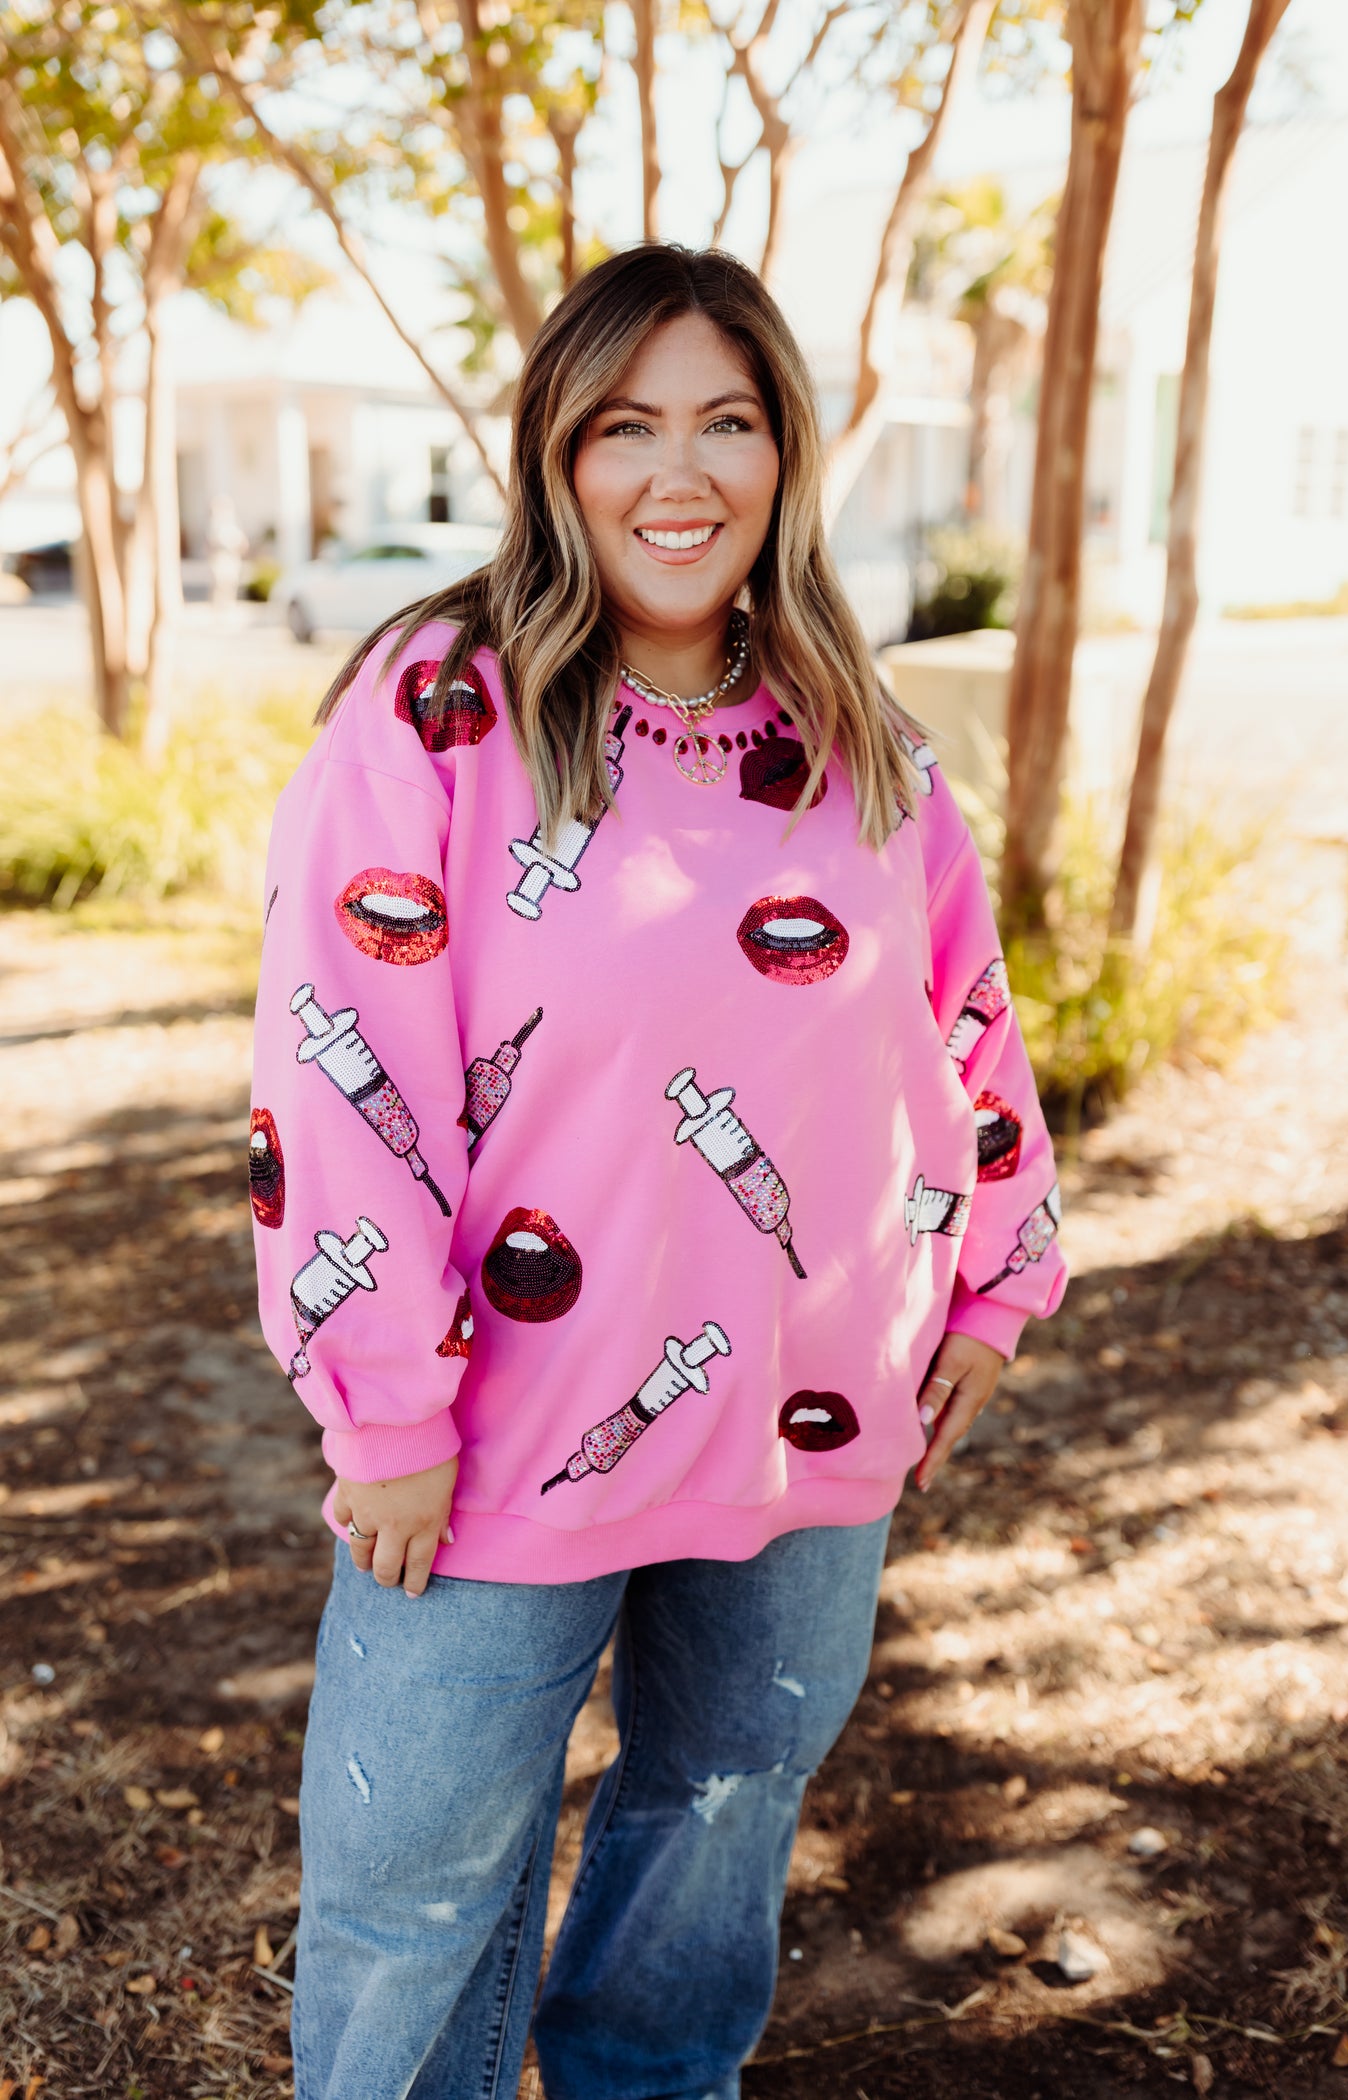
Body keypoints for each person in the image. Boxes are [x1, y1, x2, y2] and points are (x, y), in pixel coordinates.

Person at [249, 242, 1067, 2100]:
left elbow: (963, 1030)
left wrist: (1000, 1285)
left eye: (726, 421)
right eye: (626, 426)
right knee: (409, 1905)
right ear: (556, 450)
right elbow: (341, 1047)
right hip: (496, 1437)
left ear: (785, 454)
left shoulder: (858, 739)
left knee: (709, 1844)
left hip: (803, 1422)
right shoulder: (441, 704)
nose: (675, 474)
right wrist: (381, 1403)